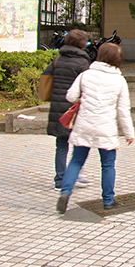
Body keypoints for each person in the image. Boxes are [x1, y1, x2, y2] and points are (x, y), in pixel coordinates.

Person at [57, 43, 135, 214]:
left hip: (84, 124)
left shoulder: (86, 75)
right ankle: (108, 200)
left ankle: (65, 192)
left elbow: (70, 96)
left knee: (76, 160)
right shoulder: (119, 80)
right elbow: (123, 111)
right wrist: (129, 133)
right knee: (107, 164)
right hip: (105, 128)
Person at [42, 29, 90, 190]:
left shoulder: (58, 60)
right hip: (76, 109)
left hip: (58, 107)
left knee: (61, 144)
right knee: (79, 144)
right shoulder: (83, 63)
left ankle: (60, 179)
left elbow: (46, 78)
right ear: (82, 44)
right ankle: (76, 174)